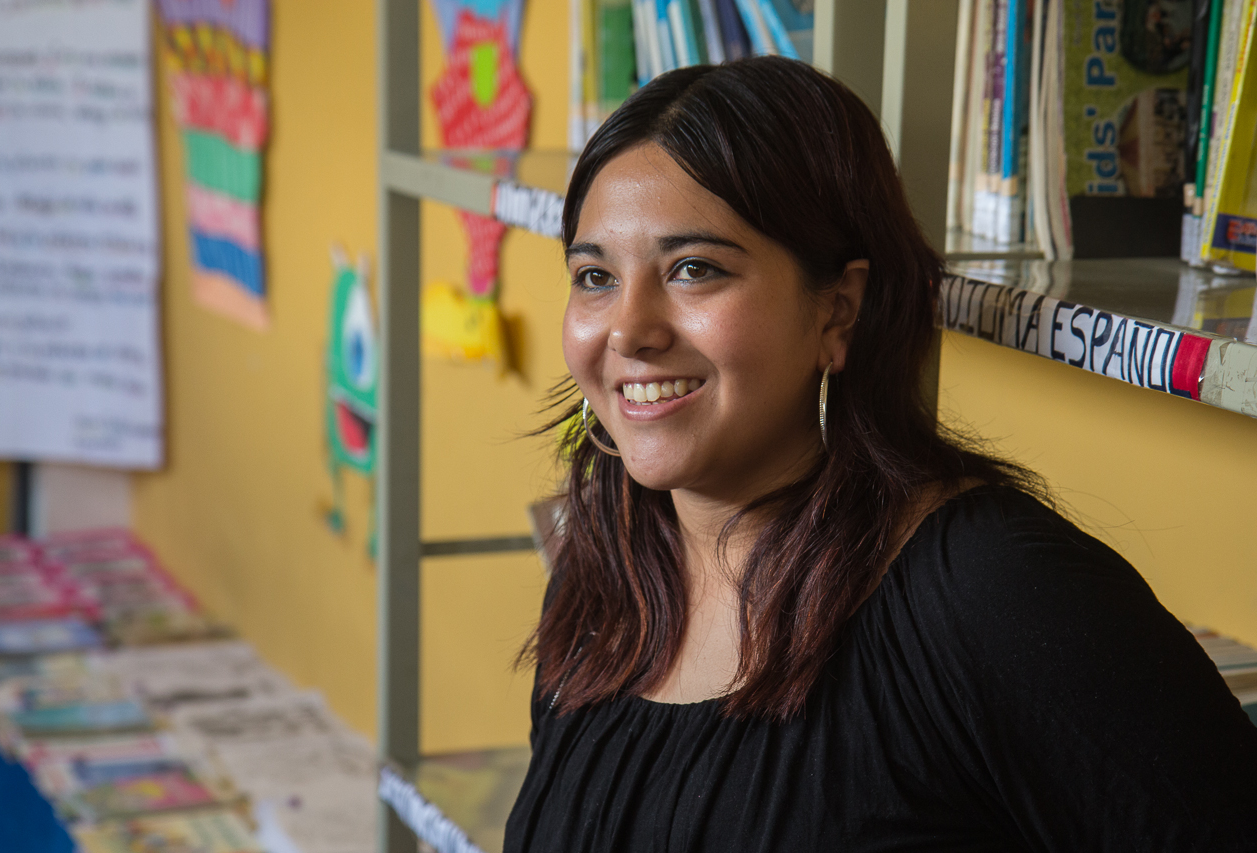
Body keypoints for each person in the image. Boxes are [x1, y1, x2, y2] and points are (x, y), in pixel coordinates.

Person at [504, 57, 1257, 852]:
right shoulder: (604, 572)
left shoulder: (994, 590)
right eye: (595, 276)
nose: (628, 330)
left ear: (838, 310)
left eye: (694, 269)